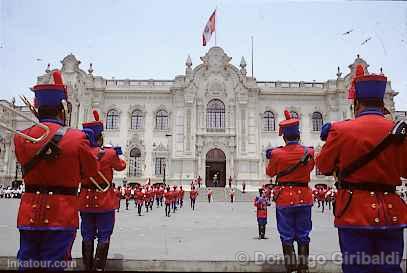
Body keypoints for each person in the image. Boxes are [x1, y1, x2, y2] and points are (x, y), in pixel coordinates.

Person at [316, 65, 407, 273]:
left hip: (354, 211)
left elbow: (323, 166)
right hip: (390, 214)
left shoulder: (341, 130)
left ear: (356, 102)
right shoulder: (398, 132)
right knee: (389, 268)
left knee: (357, 268)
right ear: (382, 103)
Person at [13, 70, 99, 270]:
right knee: (55, 264)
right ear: (63, 108)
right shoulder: (78, 139)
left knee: (26, 263)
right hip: (61, 213)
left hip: (28, 213)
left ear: (35, 108)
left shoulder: (20, 137)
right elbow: (91, 171)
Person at [266, 109, 315, 273]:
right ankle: (303, 267)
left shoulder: (277, 154)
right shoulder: (309, 152)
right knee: (303, 234)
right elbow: (311, 167)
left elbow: (270, 172)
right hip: (304, 198)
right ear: (298, 134)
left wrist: (273, 156)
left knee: (286, 235)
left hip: (285, 198)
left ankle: (291, 267)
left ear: (284, 136)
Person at [79, 110, 126, 271]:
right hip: (104, 200)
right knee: (104, 235)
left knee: (87, 235)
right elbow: (121, 166)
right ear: (100, 137)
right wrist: (115, 153)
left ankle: (87, 267)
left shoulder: (80, 154)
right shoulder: (109, 153)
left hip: (85, 201)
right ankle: (98, 268)